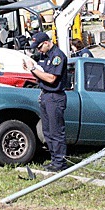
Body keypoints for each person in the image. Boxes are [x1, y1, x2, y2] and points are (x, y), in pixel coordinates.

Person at [23, 32, 68, 172]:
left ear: (47, 43)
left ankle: (60, 162)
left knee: (56, 131)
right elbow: (41, 76)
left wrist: (33, 69)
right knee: (47, 131)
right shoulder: (45, 56)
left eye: (40, 47)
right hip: (45, 95)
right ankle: (54, 160)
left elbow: (51, 79)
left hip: (55, 96)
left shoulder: (57, 56)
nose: (38, 50)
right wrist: (30, 69)